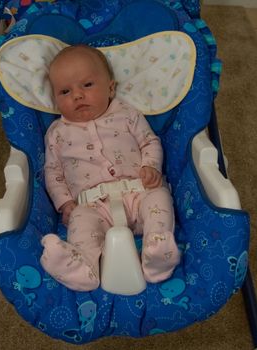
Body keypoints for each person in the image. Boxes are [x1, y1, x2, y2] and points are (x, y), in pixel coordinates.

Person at [40, 44, 180, 291]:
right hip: (93, 205)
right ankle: (83, 267)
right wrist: (65, 203)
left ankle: (157, 250)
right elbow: (53, 172)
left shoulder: (127, 114)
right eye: (64, 91)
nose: (77, 95)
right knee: (81, 223)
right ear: (55, 99)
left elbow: (149, 141)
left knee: (159, 197)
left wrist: (151, 167)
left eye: (87, 85)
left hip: (139, 191)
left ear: (111, 87)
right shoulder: (57, 133)